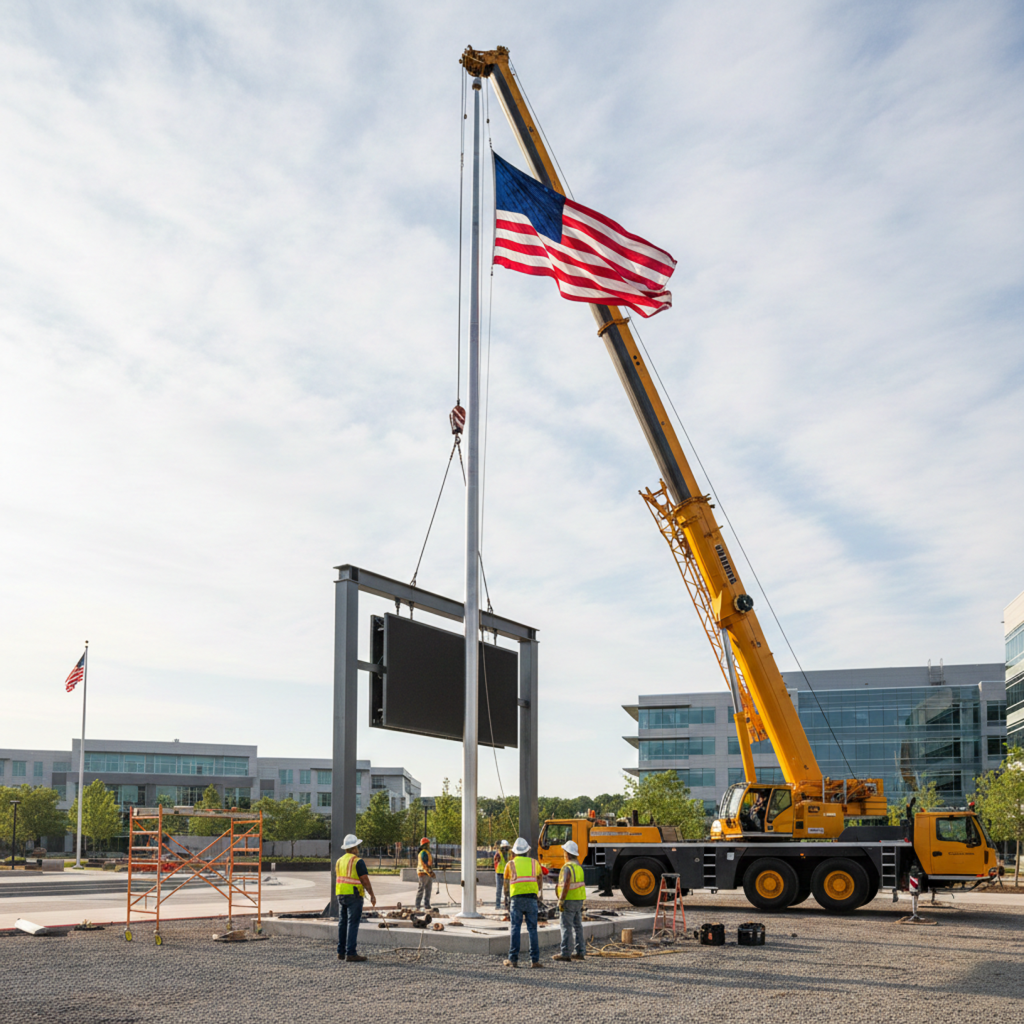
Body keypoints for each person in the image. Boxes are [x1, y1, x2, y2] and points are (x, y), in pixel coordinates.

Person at [335, 834, 377, 962]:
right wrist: (372, 894)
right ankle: (351, 953)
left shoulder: (339, 860)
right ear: (354, 847)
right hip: (354, 896)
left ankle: (341, 952)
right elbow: (364, 880)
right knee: (353, 923)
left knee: (343, 923)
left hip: (341, 894)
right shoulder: (357, 861)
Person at [503, 837, 543, 968]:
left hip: (516, 899)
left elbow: (505, 883)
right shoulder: (534, 863)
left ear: (514, 852)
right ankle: (535, 960)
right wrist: (538, 892)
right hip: (531, 898)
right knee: (532, 929)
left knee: (515, 927)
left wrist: (505, 897)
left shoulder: (510, 864)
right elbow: (540, 878)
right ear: (527, 851)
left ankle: (513, 959)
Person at [550, 840, 586, 962]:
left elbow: (566, 885)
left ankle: (565, 953)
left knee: (566, 926)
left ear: (567, 854)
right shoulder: (579, 867)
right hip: (579, 900)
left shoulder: (567, 868)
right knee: (578, 926)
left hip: (569, 900)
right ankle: (580, 952)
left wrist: (561, 900)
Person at [415, 837, 435, 910]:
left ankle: (427, 905)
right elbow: (426, 863)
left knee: (428, 890)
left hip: (427, 873)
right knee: (421, 889)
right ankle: (417, 905)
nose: (429, 845)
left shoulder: (426, 852)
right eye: (428, 844)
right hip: (423, 872)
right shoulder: (423, 852)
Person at [493, 840, 510, 910]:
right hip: (499, 873)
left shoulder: (509, 853)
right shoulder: (498, 853)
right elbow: (495, 861)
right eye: (504, 847)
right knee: (499, 890)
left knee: (507, 890)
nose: (505, 849)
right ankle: (497, 905)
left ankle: (507, 905)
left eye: (506, 847)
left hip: (506, 873)